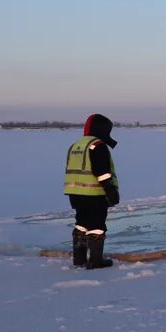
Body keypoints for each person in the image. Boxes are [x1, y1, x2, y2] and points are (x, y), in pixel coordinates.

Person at [62, 113, 121, 269]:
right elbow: (102, 172)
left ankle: (79, 259)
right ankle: (96, 261)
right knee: (96, 224)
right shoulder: (97, 145)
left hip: (75, 193)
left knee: (81, 223)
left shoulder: (76, 145)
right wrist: (111, 191)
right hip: (94, 194)